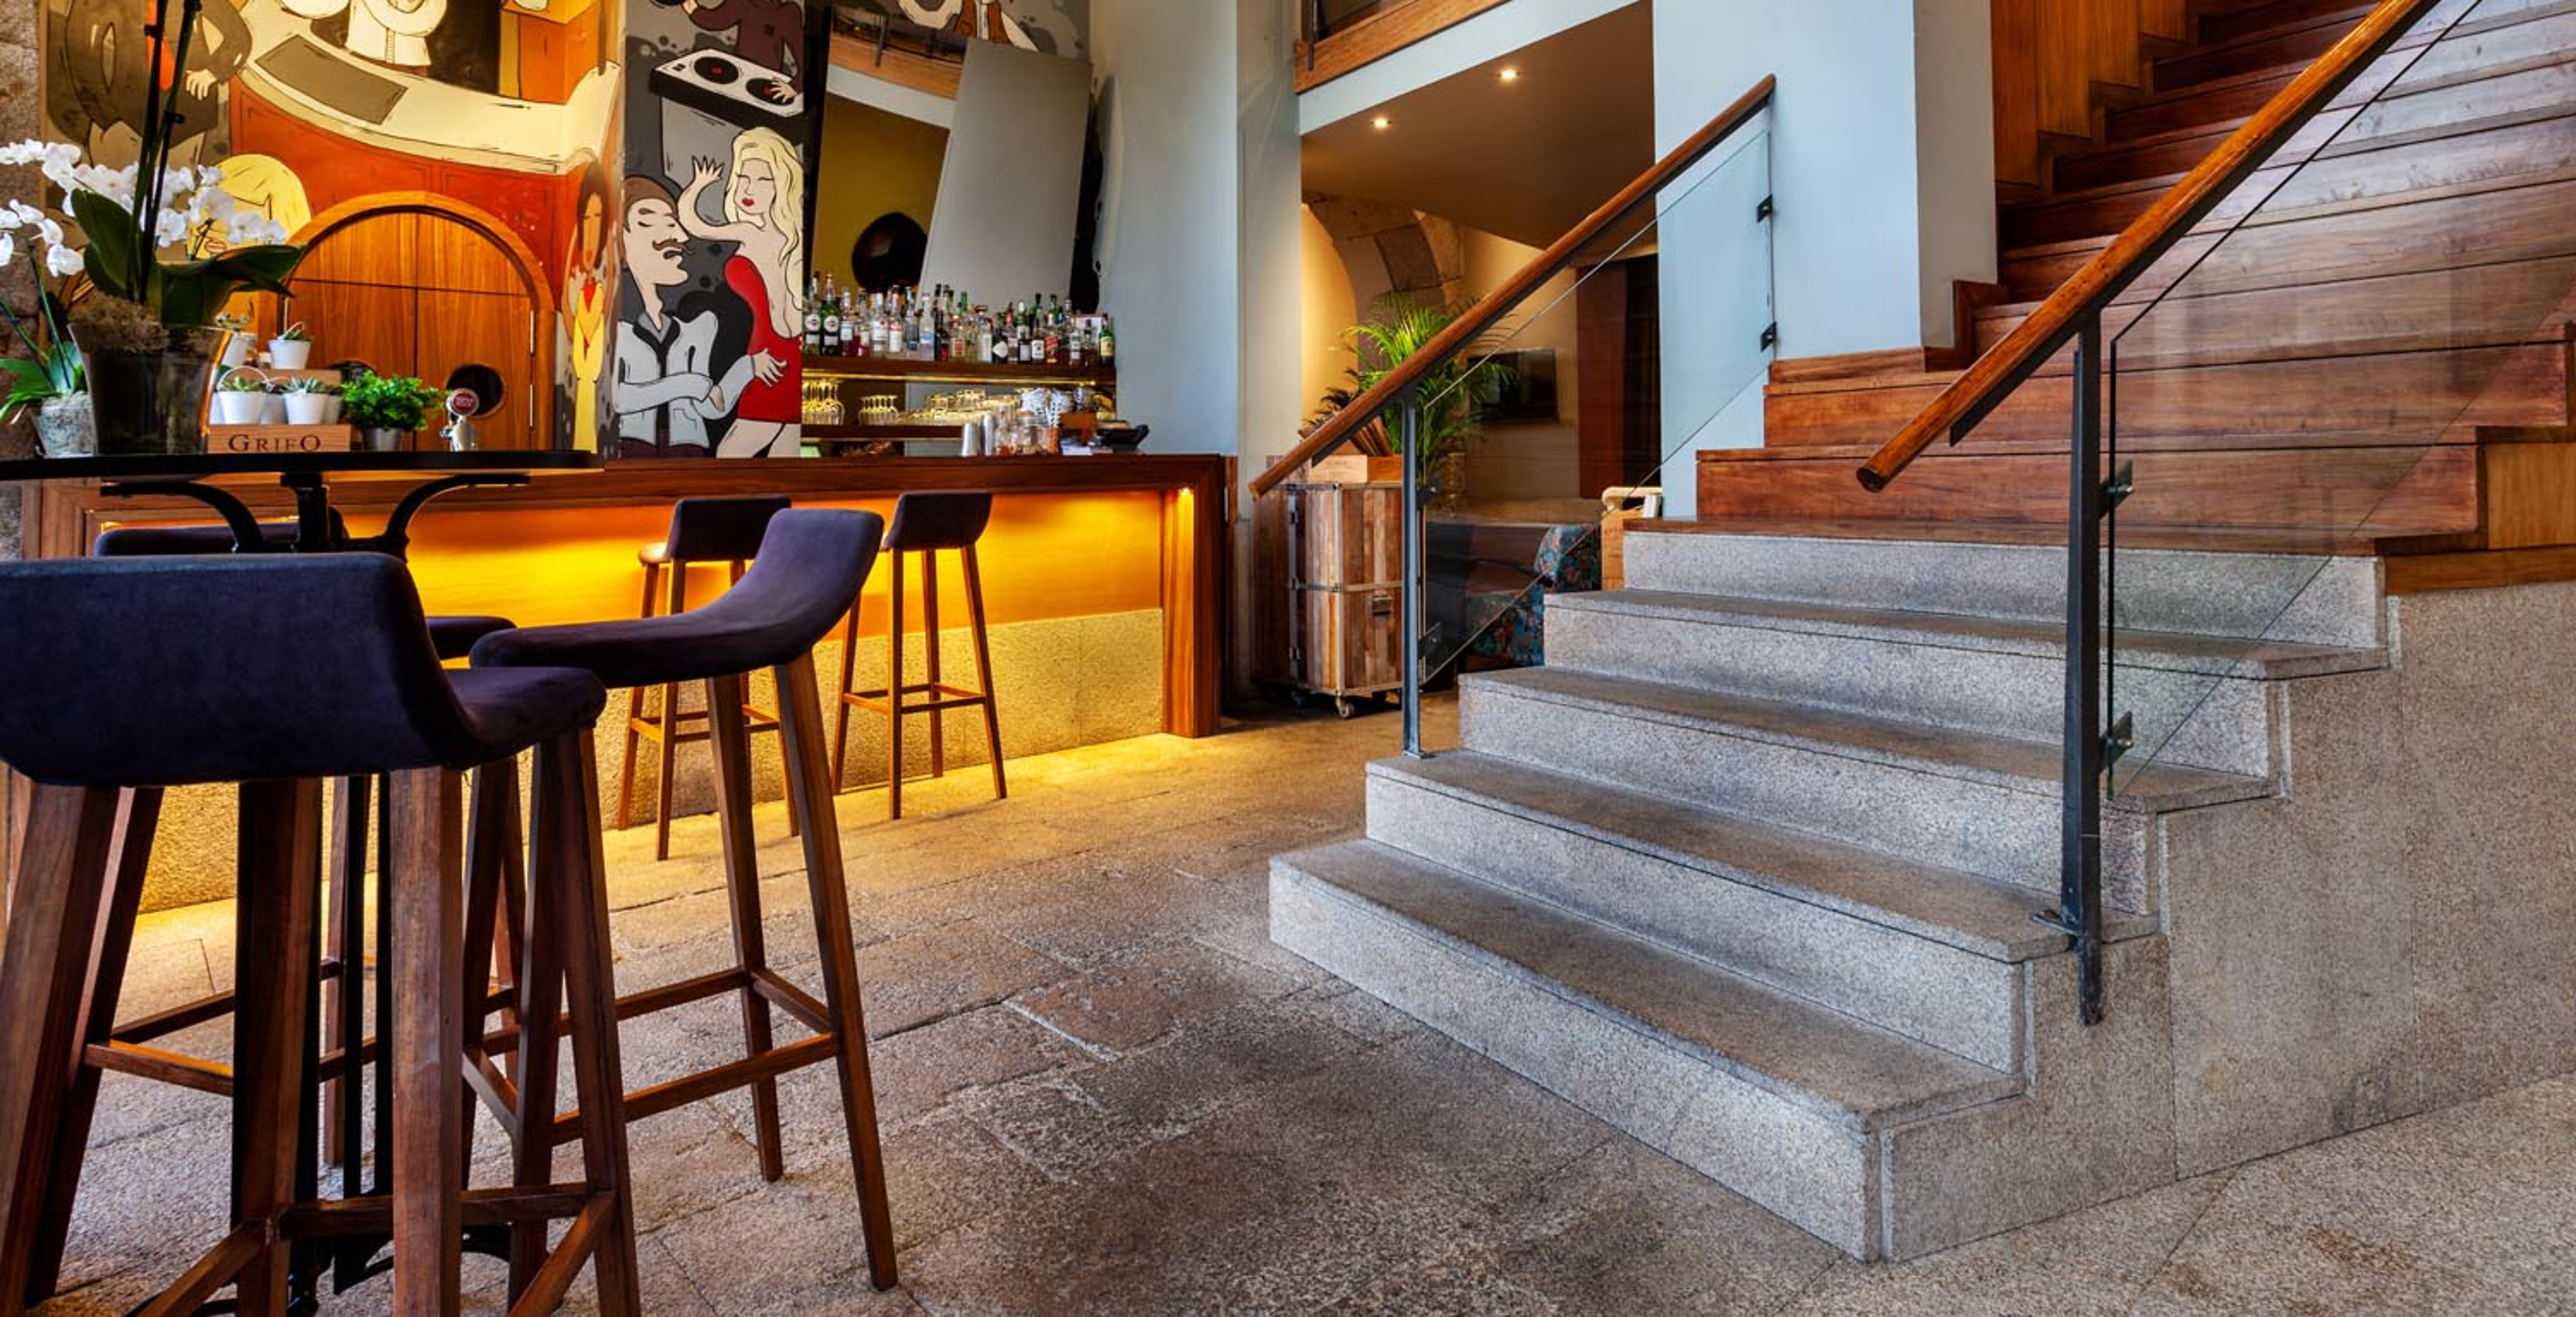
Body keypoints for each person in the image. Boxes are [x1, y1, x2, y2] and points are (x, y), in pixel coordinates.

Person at [676, 127, 801, 458]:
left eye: (763, 180)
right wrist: (699, 185)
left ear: (782, 184)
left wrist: (698, 186)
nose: (749, 189)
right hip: (780, 354)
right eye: (744, 177)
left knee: (730, 456)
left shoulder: (759, 234)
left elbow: (694, 222)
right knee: (782, 465)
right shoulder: (787, 238)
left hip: (771, 359)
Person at [614, 177, 753, 457]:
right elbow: (619, 398)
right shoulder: (619, 332)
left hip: (689, 451)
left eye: (673, 222)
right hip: (631, 451)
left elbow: (710, 407)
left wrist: (748, 367)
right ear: (620, 239)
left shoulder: (696, 330)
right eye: (650, 222)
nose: (678, 236)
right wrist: (693, 384)